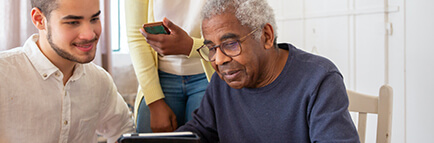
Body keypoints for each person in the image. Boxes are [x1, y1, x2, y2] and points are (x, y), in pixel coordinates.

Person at [176, 0, 360, 142]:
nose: (219, 60)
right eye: (212, 48)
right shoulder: (222, 81)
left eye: (230, 44)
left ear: (266, 36)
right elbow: (198, 133)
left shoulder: (319, 79)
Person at [0, 0, 134, 142]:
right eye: (73, 22)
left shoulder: (99, 80)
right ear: (39, 20)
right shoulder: (4, 75)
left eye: (94, 19)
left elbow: (124, 131)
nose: (89, 35)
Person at [125, 0, 214, 133]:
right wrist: (154, 102)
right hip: (159, 77)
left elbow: (233, 35)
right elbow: (137, 36)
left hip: (209, 75)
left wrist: (189, 46)